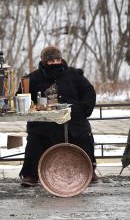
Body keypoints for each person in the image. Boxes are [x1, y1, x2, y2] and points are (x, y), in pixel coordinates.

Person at [17, 46, 98, 187]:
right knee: (35, 141)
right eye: (51, 60)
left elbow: (88, 92)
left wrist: (82, 110)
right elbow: (21, 96)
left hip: (74, 119)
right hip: (44, 121)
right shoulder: (32, 78)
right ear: (44, 61)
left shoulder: (74, 75)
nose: (55, 63)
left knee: (84, 137)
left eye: (58, 59)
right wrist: (34, 108)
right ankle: (30, 174)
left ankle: (88, 169)